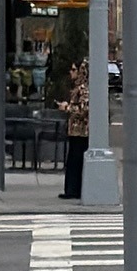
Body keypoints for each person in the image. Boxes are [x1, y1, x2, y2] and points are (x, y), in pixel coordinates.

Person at [59, 61, 89, 201]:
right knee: (72, 160)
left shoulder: (83, 89)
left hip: (81, 131)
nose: (71, 72)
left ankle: (73, 189)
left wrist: (68, 108)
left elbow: (84, 109)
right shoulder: (78, 88)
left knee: (76, 160)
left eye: (73, 69)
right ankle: (71, 189)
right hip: (75, 130)